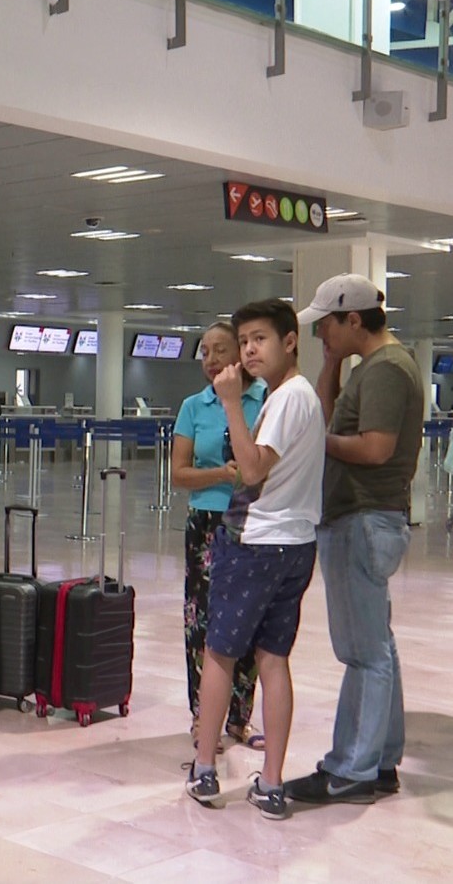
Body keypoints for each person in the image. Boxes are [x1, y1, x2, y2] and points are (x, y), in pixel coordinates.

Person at [284, 274, 425, 807]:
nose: (321, 334)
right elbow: (330, 413)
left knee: (363, 653)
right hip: (363, 520)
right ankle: (381, 759)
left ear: (354, 320)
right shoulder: (373, 367)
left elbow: (375, 449)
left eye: (327, 326)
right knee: (377, 647)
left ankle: (351, 769)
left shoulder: (388, 370)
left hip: (364, 520)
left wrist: (316, 445)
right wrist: (331, 366)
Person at [185, 298, 325, 821]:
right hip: (294, 543)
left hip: (257, 541)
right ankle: (270, 782)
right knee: (272, 657)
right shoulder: (302, 396)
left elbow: (249, 470)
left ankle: (204, 768)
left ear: (290, 341)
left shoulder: (287, 398)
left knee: (220, 652)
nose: (248, 350)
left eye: (259, 339)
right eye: (244, 341)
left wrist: (227, 402)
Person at [171, 321, 267, 753]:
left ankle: (240, 717)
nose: (210, 360)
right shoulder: (193, 406)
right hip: (207, 524)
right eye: (204, 352)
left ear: (241, 356)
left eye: (220, 350)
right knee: (202, 622)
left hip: (254, 523)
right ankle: (202, 716)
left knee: (249, 621)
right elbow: (178, 473)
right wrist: (220, 474)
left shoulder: (265, 400)